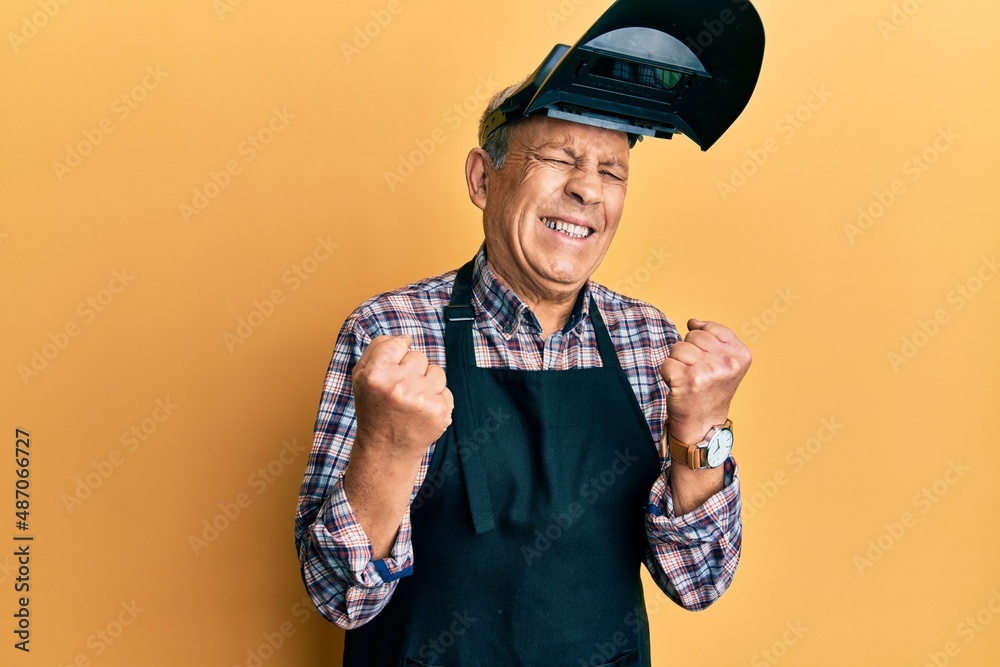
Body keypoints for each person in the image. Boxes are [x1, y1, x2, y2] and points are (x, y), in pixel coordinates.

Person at [294, 79, 752, 666]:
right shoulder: (390, 333)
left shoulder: (649, 341)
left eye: (611, 173)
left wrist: (705, 432)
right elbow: (339, 596)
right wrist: (387, 447)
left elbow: (699, 582)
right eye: (561, 160)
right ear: (484, 180)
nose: (588, 189)